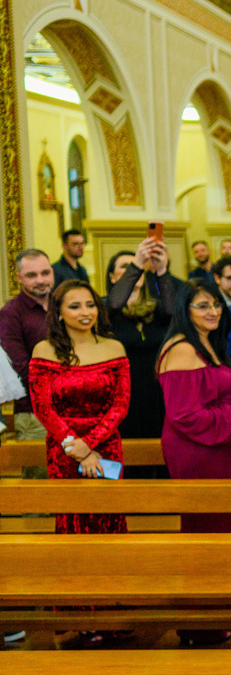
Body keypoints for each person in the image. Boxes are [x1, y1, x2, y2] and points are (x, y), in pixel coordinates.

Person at [28, 280, 130, 649]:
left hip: (107, 448)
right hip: (64, 450)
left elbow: (120, 404)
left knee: (108, 526)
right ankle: (79, 617)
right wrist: (78, 448)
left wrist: (93, 444)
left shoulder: (113, 346)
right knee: (74, 529)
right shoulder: (45, 349)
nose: (85, 312)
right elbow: (43, 408)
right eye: (75, 306)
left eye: (90, 304)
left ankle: (115, 614)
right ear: (59, 312)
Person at [158, 279, 231, 647]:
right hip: (194, 449)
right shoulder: (180, 349)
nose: (212, 311)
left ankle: (215, 610)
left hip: (216, 447)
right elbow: (184, 416)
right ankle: (198, 619)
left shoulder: (207, 343)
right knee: (203, 529)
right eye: (202, 306)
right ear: (185, 311)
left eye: (216, 304)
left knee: (220, 526)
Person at [104, 241, 175, 442]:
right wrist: (137, 263)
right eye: (124, 267)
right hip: (121, 396)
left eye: (137, 267)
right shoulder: (105, 310)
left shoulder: (157, 309)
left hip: (157, 394)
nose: (134, 270)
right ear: (112, 277)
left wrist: (161, 269)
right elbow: (114, 304)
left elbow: (172, 311)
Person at [0, 250, 55, 461]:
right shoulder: (10, 313)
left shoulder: (65, 304)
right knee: (40, 481)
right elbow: (20, 367)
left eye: (45, 272)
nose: (41, 280)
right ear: (19, 277)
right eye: (32, 275)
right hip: (34, 412)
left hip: (74, 405)